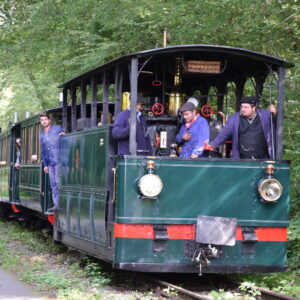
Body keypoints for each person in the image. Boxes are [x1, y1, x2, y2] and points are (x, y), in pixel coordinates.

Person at [209, 96, 276, 159]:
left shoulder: (266, 115)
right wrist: (213, 144)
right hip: (242, 158)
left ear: (254, 108)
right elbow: (224, 134)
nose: (243, 109)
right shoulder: (234, 118)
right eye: (241, 107)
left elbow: (277, 123)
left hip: (263, 158)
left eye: (246, 107)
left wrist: (275, 113)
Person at [39, 113, 65, 211]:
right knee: (53, 184)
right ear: (41, 122)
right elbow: (43, 150)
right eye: (42, 120)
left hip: (58, 160)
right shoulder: (42, 135)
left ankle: (61, 203)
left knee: (58, 182)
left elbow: (64, 136)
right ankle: (56, 204)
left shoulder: (57, 129)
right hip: (50, 162)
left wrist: (63, 134)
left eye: (45, 119)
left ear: (49, 120)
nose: (44, 121)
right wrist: (45, 164)